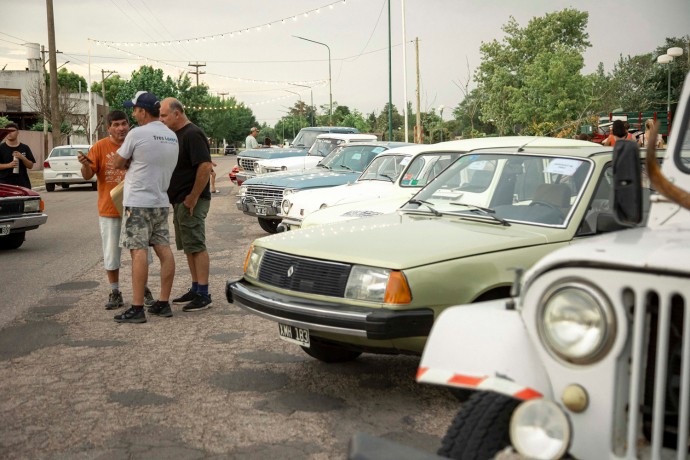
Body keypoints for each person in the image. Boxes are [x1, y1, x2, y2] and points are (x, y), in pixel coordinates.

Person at [77, 110, 155, 310]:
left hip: (136, 208)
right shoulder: (100, 147)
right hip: (109, 209)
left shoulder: (137, 142)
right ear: (108, 127)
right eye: (116, 124)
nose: (121, 128)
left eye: (124, 123)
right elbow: (87, 176)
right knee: (112, 254)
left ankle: (144, 289)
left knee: (140, 253)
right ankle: (115, 291)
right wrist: (85, 165)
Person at [112, 91, 178, 323]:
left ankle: (137, 308)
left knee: (138, 251)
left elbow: (118, 162)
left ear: (142, 110)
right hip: (160, 201)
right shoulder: (171, 136)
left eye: (134, 109)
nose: (133, 113)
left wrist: (130, 160)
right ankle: (163, 302)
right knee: (164, 249)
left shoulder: (137, 133)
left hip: (138, 202)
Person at [159, 97, 214, 312]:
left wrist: (192, 196)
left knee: (196, 245)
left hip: (191, 200)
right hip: (180, 200)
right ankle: (195, 287)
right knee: (189, 246)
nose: (161, 119)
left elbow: (205, 165)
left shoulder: (192, 133)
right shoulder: (177, 135)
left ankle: (204, 294)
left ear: (177, 114)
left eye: (164, 115)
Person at [0, 123, 35, 189]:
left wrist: (22, 157)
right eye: (7, 131)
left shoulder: (24, 147)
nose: (10, 133)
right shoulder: (1, 148)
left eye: (12, 131)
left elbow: (30, 166)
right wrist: (9, 165)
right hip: (5, 184)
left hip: (23, 183)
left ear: (18, 132)